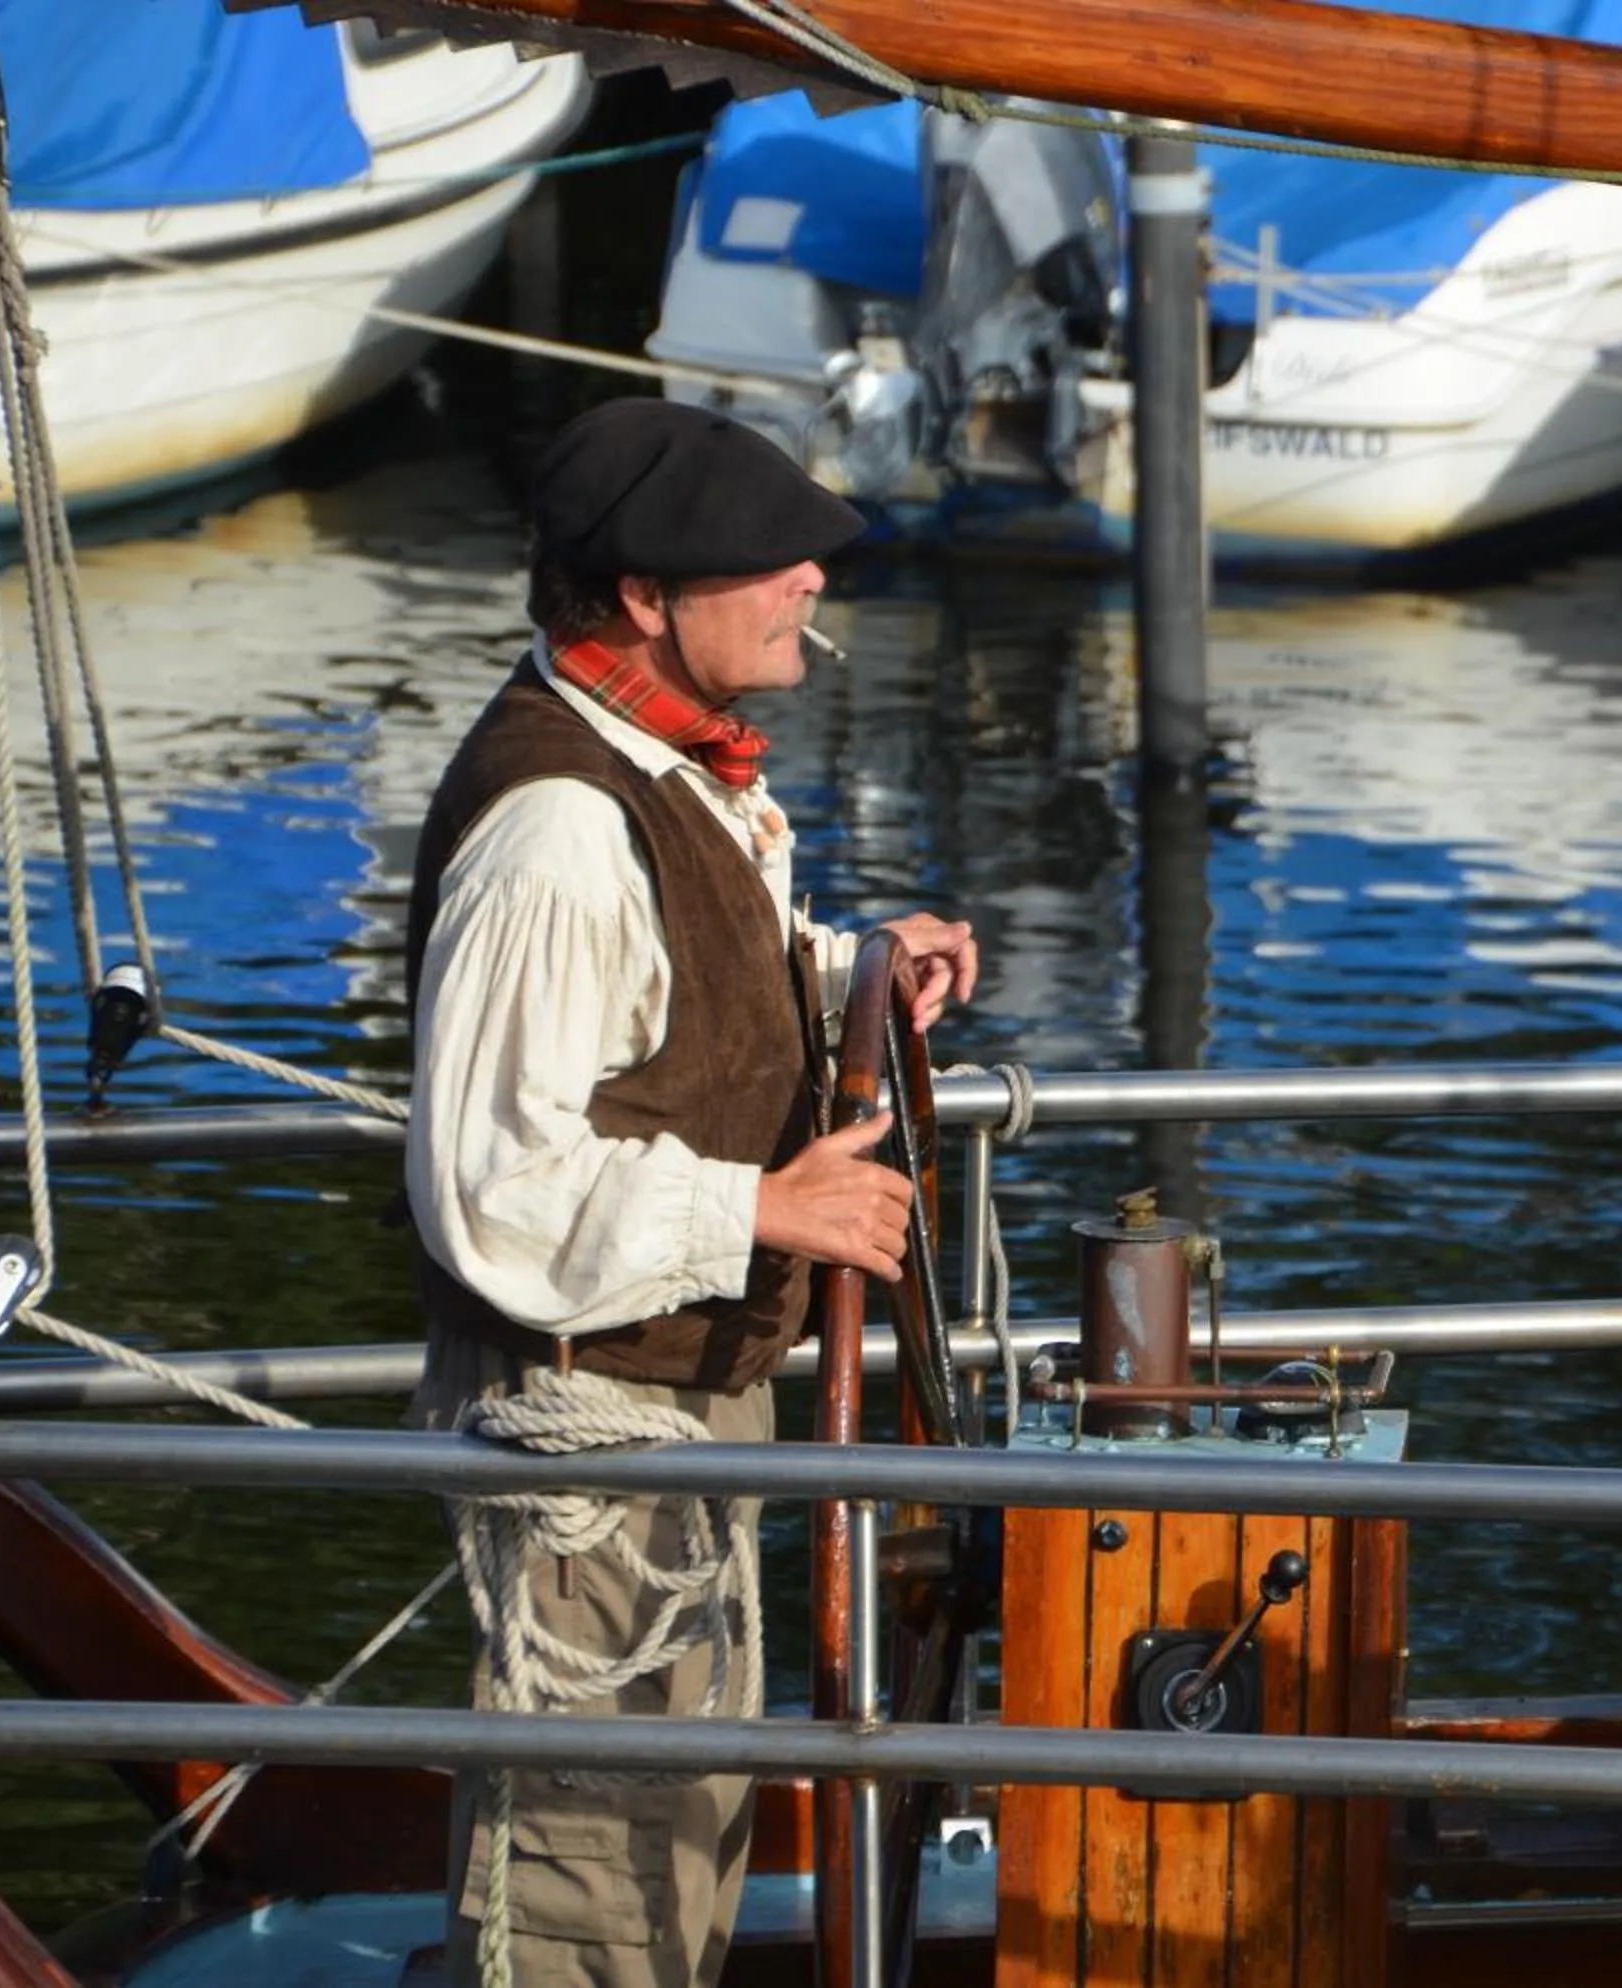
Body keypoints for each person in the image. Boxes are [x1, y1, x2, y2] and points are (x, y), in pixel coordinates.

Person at [402, 397, 978, 1987]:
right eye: (766, 558)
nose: (810, 578)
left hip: (674, 1397)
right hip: (586, 1424)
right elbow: (496, 1186)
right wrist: (765, 1213)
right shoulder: (559, 826)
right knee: (592, 1872)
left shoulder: (655, 765)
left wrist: (853, 973)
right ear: (646, 594)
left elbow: (662, 1002)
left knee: (683, 1829)